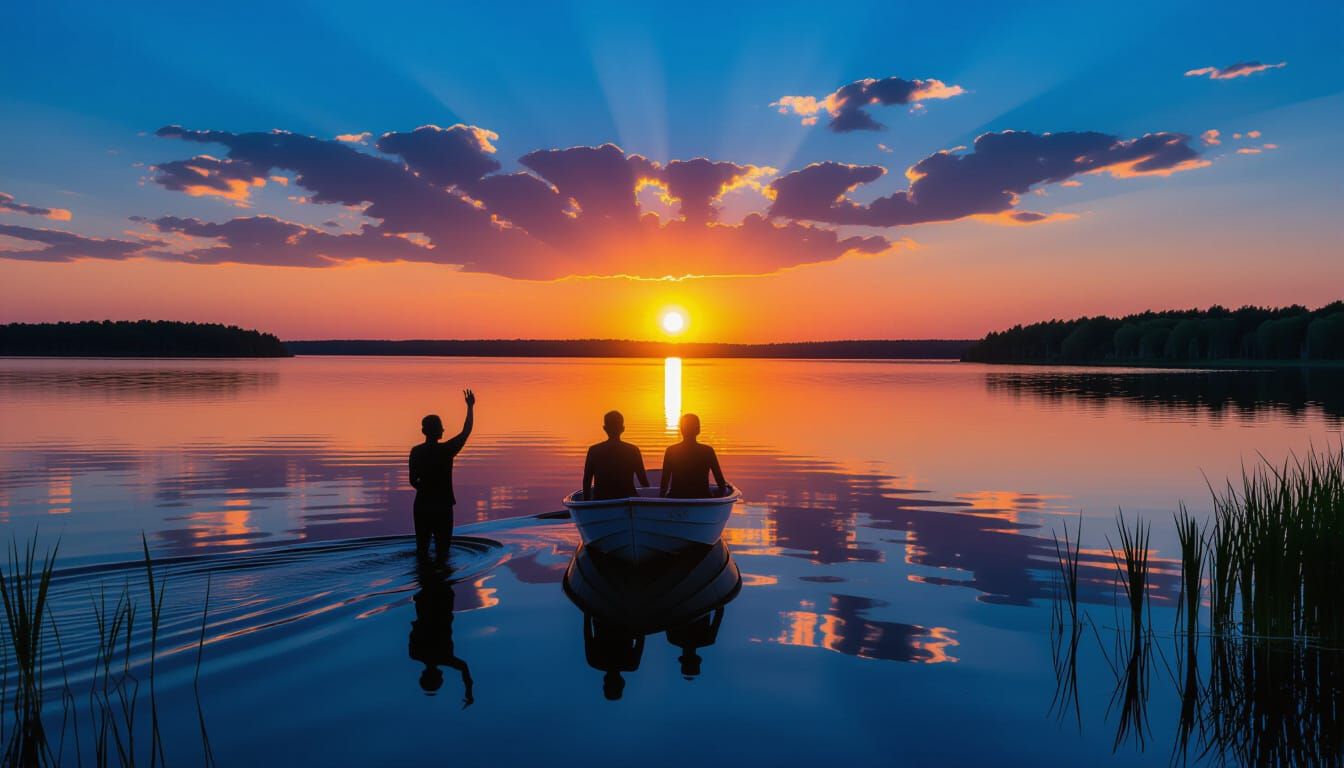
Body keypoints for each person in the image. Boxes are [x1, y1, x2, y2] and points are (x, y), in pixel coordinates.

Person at [409, 389, 475, 563]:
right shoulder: (446, 450)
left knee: (422, 550)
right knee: (443, 552)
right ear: (435, 430)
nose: (443, 429)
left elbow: (412, 480)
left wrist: (426, 490)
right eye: (440, 426)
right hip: (442, 506)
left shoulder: (416, 452)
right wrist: (470, 407)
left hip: (422, 505)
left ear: (424, 431)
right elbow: (466, 431)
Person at [408, 563, 474, 706]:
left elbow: (464, 668)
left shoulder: (446, 659)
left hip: (442, 607)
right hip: (426, 607)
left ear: (440, 676)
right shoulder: (414, 654)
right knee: (430, 570)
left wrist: (469, 692)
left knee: (441, 568)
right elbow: (413, 631)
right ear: (422, 675)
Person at [582, 410, 649, 501]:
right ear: (623, 428)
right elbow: (643, 482)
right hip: (628, 499)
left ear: (604, 428)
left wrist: (586, 504)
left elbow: (587, 481)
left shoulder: (593, 451)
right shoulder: (633, 450)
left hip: (600, 500)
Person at [660, 413, 727, 498]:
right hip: (703, 497)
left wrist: (662, 499)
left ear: (681, 430)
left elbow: (664, 485)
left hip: (676, 497)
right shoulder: (708, 451)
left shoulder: (671, 451)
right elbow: (721, 483)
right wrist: (721, 494)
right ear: (698, 430)